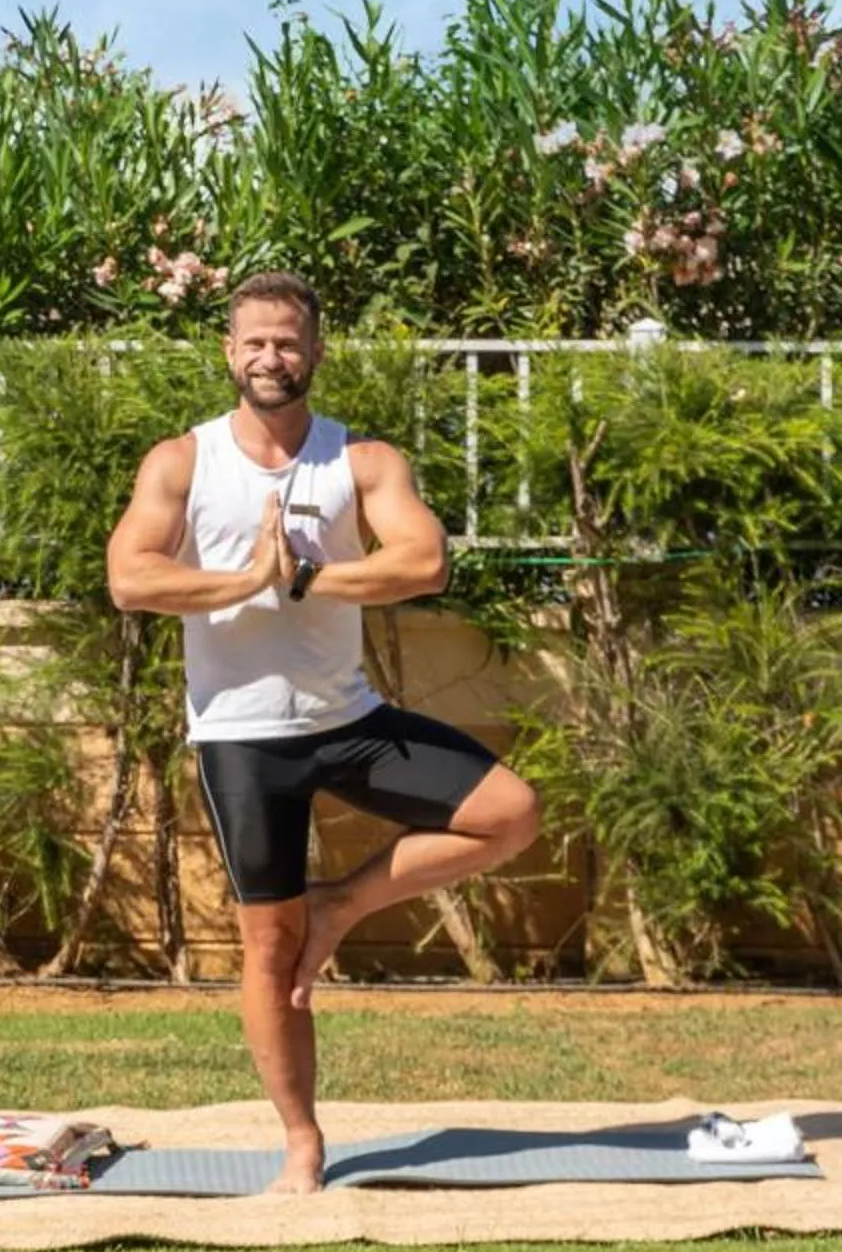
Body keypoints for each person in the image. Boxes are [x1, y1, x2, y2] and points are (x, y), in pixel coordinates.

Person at [104, 273, 540, 1192]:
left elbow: (422, 562)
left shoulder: (361, 461)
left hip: (350, 719)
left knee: (511, 814)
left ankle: (342, 904)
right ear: (229, 353)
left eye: (289, 342)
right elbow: (132, 580)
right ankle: (302, 1143)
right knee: (268, 945)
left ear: (317, 352)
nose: (272, 357)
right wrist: (244, 580)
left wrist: (308, 578)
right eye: (255, 342)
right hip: (241, 739)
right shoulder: (182, 461)